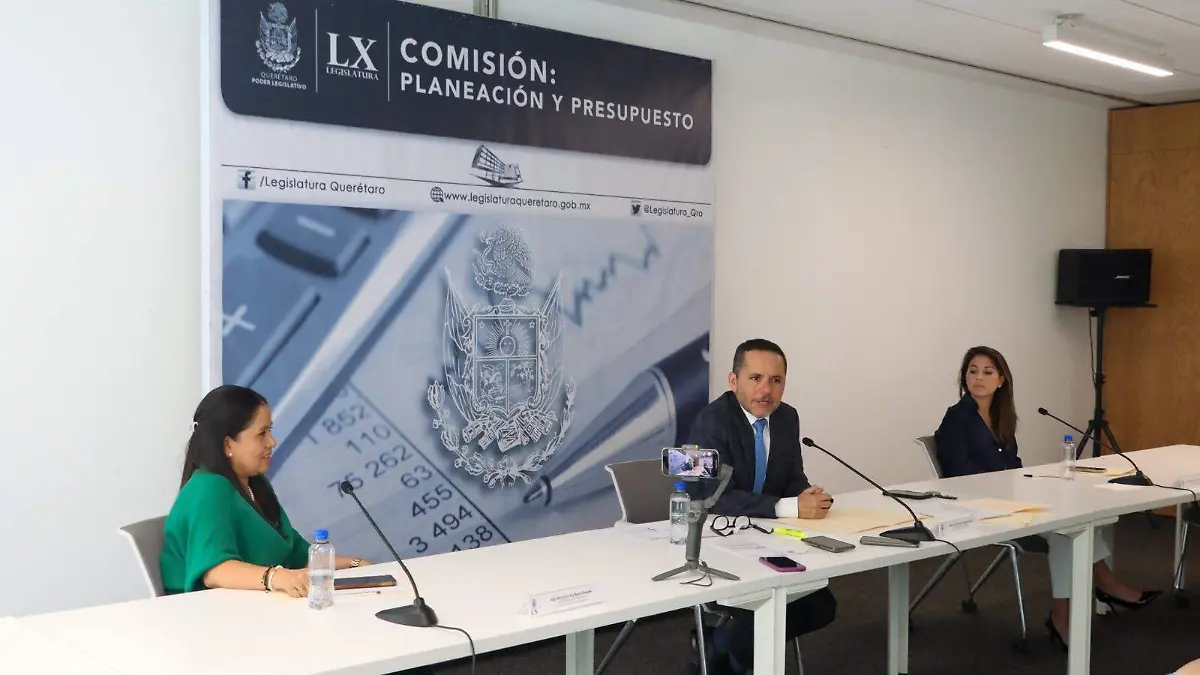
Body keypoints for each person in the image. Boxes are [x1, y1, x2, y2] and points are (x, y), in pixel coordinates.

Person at [933, 346, 1160, 651]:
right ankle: (1079, 604)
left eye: (987, 372)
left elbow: (1013, 465)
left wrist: (1024, 484)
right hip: (979, 509)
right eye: (972, 371)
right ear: (964, 378)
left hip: (1010, 502)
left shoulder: (1001, 416)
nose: (978, 378)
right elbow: (959, 473)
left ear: (1001, 380)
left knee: (1075, 519)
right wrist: (1005, 485)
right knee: (1064, 530)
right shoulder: (957, 417)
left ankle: (1091, 594)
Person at [685, 339, 837, 675]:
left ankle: (721, 646)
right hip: (717, 539)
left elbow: (792, 477)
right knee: (758, 607)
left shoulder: (787, 417)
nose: (766, 390)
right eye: (755, 378)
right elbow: (711, 496)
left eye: (775, 380)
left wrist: (808, 496)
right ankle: (733, 657)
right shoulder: (711, 421)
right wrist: (788, 507)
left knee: (821, 604)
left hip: (767, 537)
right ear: (733, 380)